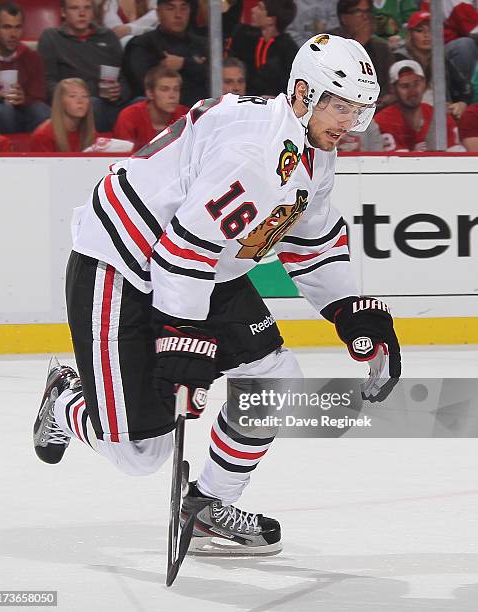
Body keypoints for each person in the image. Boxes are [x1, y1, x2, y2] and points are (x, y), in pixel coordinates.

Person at [33, 34, 401, 555]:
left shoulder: (311, 144)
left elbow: (310, 240)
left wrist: (351, 314)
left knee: (275, 382)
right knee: (141, 453)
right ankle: (65, 399)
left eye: (358, 110)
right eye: (339, 105)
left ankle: (208, 507)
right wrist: (182, 334)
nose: (348, 121)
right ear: (301, 93)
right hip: (121, 265)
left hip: (199, 266)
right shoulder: (255, 151)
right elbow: (184, 247)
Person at [37, 0, 131, 132]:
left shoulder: (108, 36)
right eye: (75, 8)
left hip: (111, 103)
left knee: (141, 103)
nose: (82, 14)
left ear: (93, 12)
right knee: (93, 104)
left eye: (87, 8)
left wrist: (119, 91)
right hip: (75, 105)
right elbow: (47, 82)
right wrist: (76, 97)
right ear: (63, 12)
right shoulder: (52, 37)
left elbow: (123, 78)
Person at [122, 0, 208, 106]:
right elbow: (139, 83)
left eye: (183, 8)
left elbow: (216, 77)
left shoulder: (202, 44)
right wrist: (162, 70)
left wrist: (184, 63)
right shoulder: (143, 44)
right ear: (158, 13)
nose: (178, 15)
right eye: (170, 9)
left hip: (199, 109)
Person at [394, 10, 472, 121]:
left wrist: (461, 103)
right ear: (410, 35)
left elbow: (465, 88)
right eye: (420, 30)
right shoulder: (400, 59)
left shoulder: (440, 58)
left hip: (442, 116)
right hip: (409, 119)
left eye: (431, 30)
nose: (426, 35)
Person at [374, 59, 463, 151]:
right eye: (405, 86)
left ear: (424, 83)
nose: (412, 91)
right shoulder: (383, 121)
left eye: (416, 84)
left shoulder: (440, 117)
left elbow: (457, 156)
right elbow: (395, 163)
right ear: (392, 89)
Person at [0, 2, 50, 134]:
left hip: (25, 116)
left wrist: (23, 99)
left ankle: (38, 152)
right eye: (7, 27)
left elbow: (40, 97)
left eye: (18, 27)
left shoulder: (32, 57)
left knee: (42, 111)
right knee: (4, 110)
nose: (13, 34)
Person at [329, 0, 395, 107]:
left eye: (368, 11)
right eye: (359, 12)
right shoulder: (330, 42)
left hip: (379, 109)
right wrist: (360, 44)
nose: (365, 17)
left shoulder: (381, 47)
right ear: (344, 18)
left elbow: (391, 86)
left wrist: (389, 97)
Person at [228, 0, 298, 97]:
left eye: (260, 8)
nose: (253, 10)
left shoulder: (288, 50)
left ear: (271, 20)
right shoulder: (245, 38)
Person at [113, 66, 189, 151]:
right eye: (164, 89)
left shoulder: (186, 115)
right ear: (150, 93)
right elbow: (120, 157)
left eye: (176, 89)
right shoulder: (129, 116)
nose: (172, 96)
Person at [29, 78, 96, 152]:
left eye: (85, 96)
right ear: (60, 101)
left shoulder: (92, 135)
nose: (80, 101)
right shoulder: (43, 136)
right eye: (73, 96)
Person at [94, 0, 158, 47]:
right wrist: (146, 29)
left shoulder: (148, 3)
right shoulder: (108, 3)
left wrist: (129, 29)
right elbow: (116, 33)